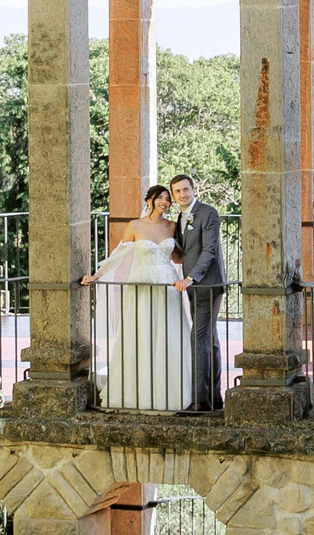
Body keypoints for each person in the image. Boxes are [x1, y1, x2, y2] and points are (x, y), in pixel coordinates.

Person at [89, 185, 188, 410]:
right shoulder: (135, 225)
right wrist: (97, 275)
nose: (164, 202)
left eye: (167, 199)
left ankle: (171, 394)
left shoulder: (172, 226)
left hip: (167, 285)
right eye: (160, 198)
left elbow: (180, 257)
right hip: (141, 284)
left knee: (168, 336)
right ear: (150, 200)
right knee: (140, 335)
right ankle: (137, 392)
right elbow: (120, 253)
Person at [170, 173, 227, 412]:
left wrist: (191, 277)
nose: (183, 194)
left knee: (199, 339)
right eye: (178, 191)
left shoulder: (208, 213)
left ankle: (200, 400)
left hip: (208, 284)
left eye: (186, 189)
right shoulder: (180, 218)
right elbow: (185, 251)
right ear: (173, 196)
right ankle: (215, 397)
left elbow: (209, 250)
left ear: (194, 190)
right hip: (193, 286)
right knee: (209, 339)